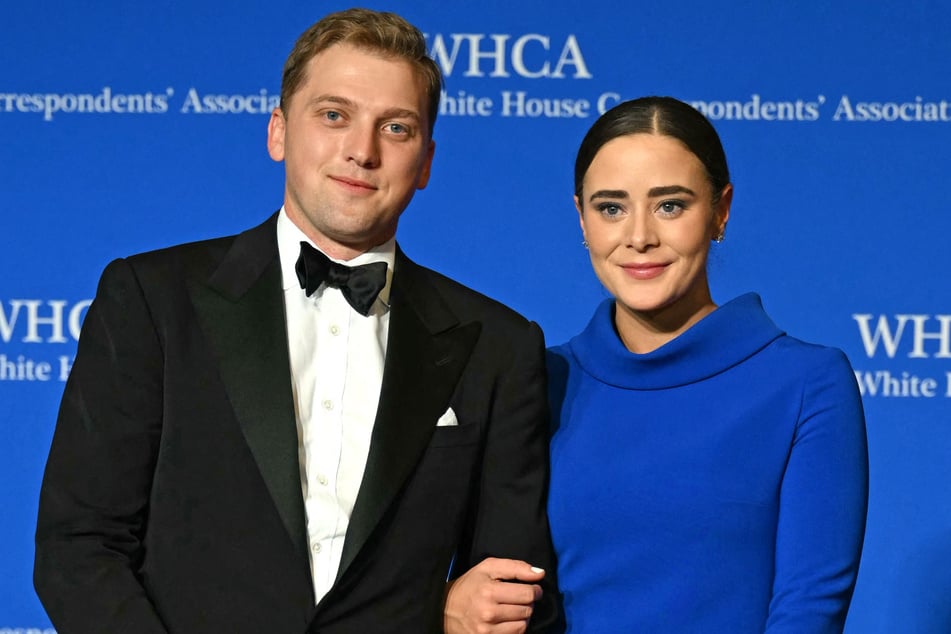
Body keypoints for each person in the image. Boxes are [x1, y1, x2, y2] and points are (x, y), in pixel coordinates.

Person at [33, 9, 556, 633]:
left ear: (426, 163)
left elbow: (512, 589)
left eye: (395, 127)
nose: (361, 151)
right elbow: (79, 546)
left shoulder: (497, 345)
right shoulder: (151, 299)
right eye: (333, 115)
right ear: (278, 131)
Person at [546, 96, 868, 632]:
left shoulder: (807, 383)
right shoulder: (539, 379)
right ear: (581, 217)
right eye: (611, 207)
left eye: (670, 205)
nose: (640, 236)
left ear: (720, 210)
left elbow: (809, 609)